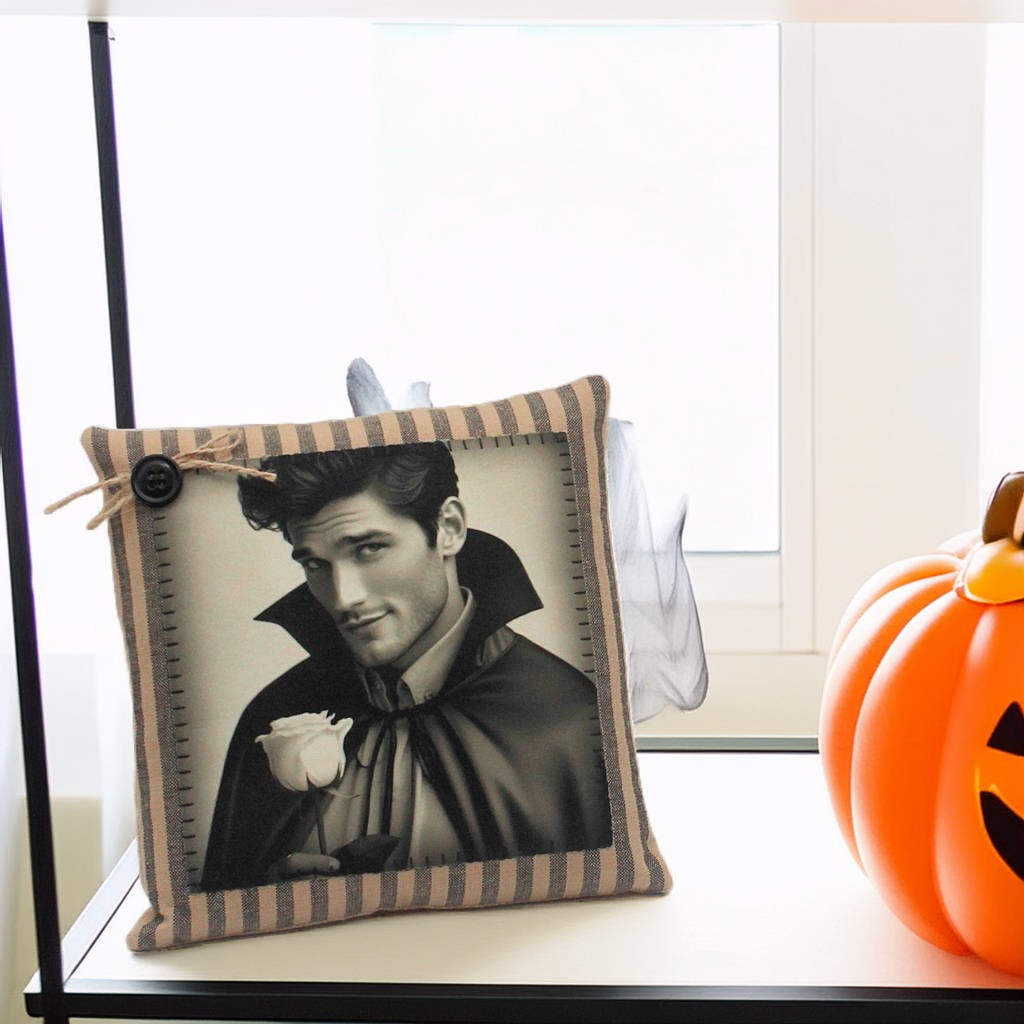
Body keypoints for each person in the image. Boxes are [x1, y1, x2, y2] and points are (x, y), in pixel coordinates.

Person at [200, 442, 611, 891]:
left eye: (369, 548)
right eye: (316, 564)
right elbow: (225, 889)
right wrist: (268, 894)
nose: (344, 597)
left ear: (449, 528)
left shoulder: (567, 715)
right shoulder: (276, 713)